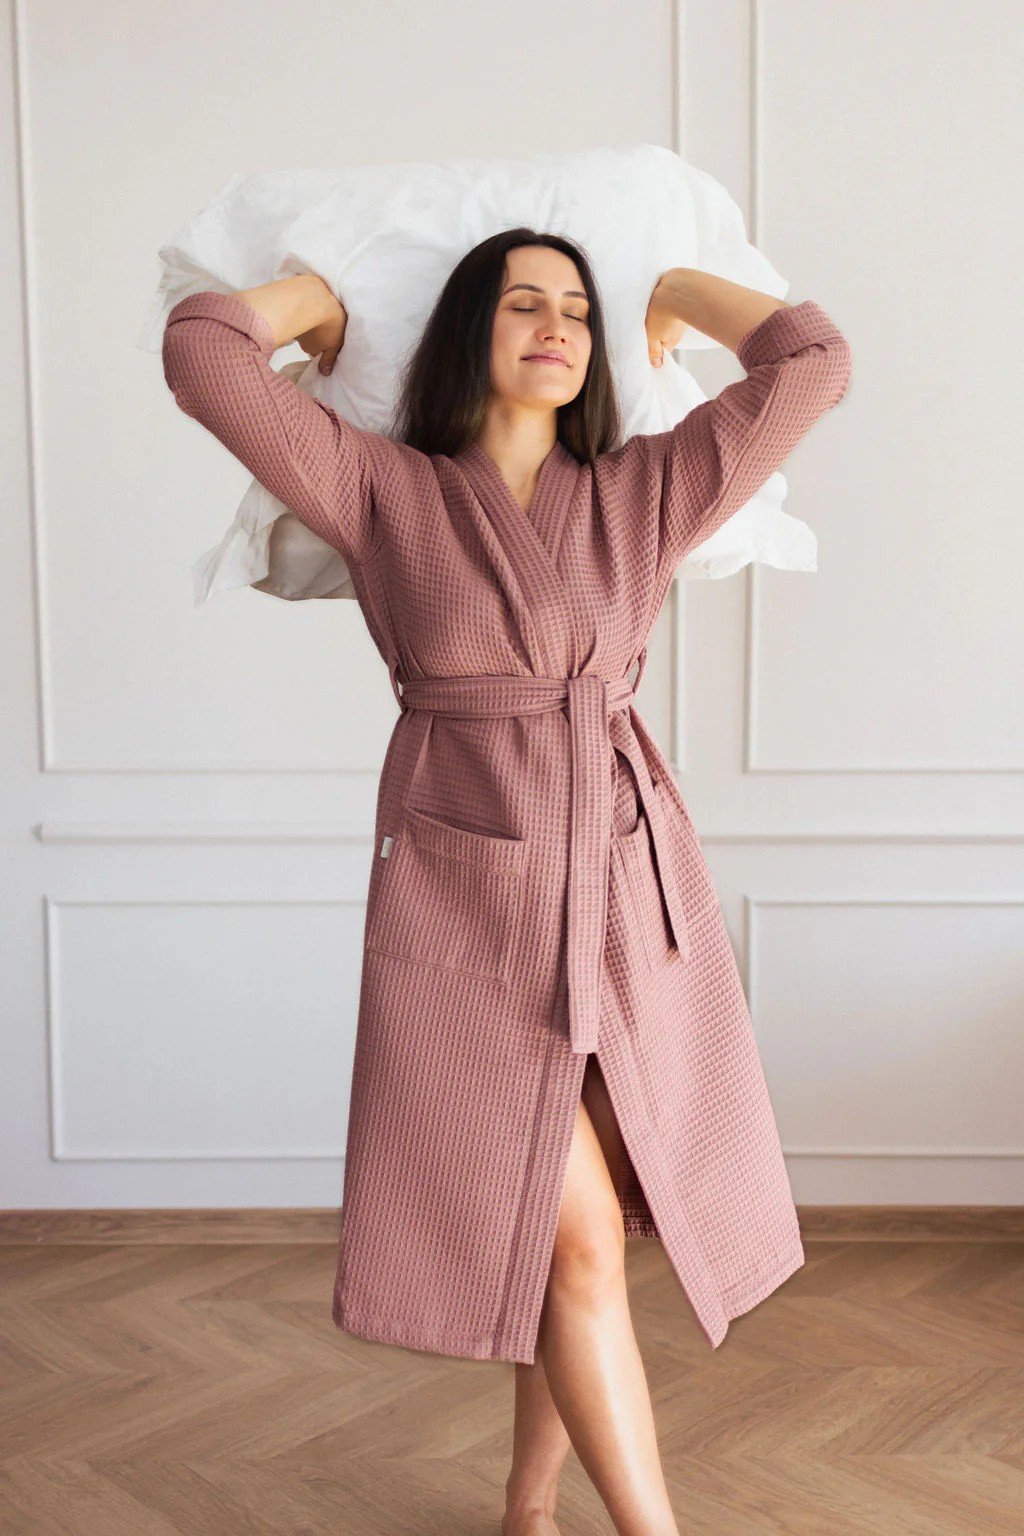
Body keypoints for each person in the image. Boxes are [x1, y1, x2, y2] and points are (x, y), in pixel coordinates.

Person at [162, 231, 852, 1536]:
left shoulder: (646, 488)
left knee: (570, 1237)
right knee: (571, 1233)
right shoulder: (381, 488)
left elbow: (813, 362)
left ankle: (527, 1513)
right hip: (462, 893)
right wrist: (325, 304)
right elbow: (203, 353)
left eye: (579, 310)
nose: (558, 327)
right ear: (464, 329)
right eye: (525, 303)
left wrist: (670, 293)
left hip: (622, 881)